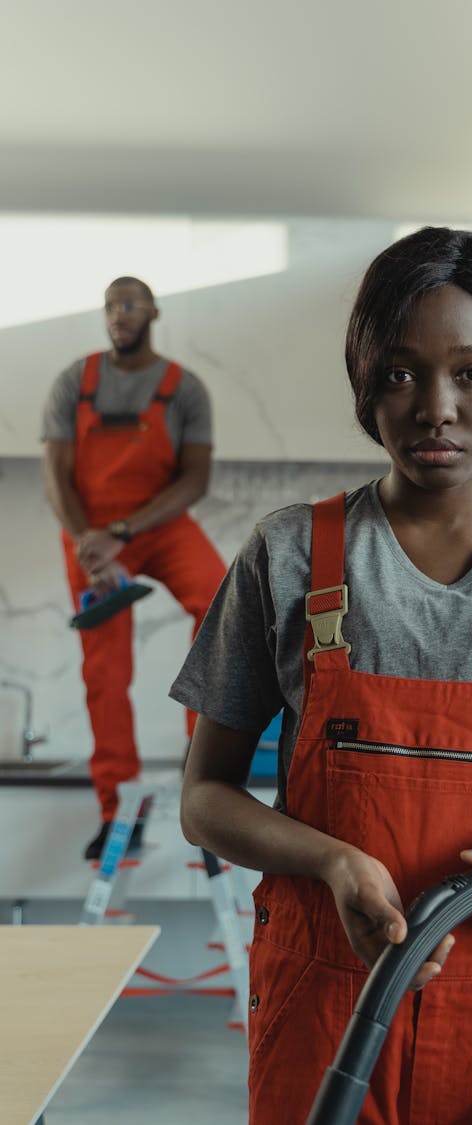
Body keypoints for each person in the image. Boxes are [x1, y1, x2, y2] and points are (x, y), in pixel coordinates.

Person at [173, 228, 472, 1125]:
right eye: (399, 371)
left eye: (471, 371)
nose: (435, 406)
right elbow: (206, 797)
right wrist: (333, 861)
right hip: (329, 1013)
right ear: (363, 380)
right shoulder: (286, 556)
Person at [42, 276, 226, 860]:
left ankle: (210, 789)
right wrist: (86, 544)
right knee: (105, 674)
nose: (117, 315)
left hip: (157, 526)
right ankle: (117, 811)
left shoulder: (184, 389)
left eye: (127, 304)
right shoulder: (75, 383)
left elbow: (194, 480)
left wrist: (125, 533)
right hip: (92, 534)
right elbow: (56, 475)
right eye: (109, 307)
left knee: (221, 603)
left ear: (152, 311)